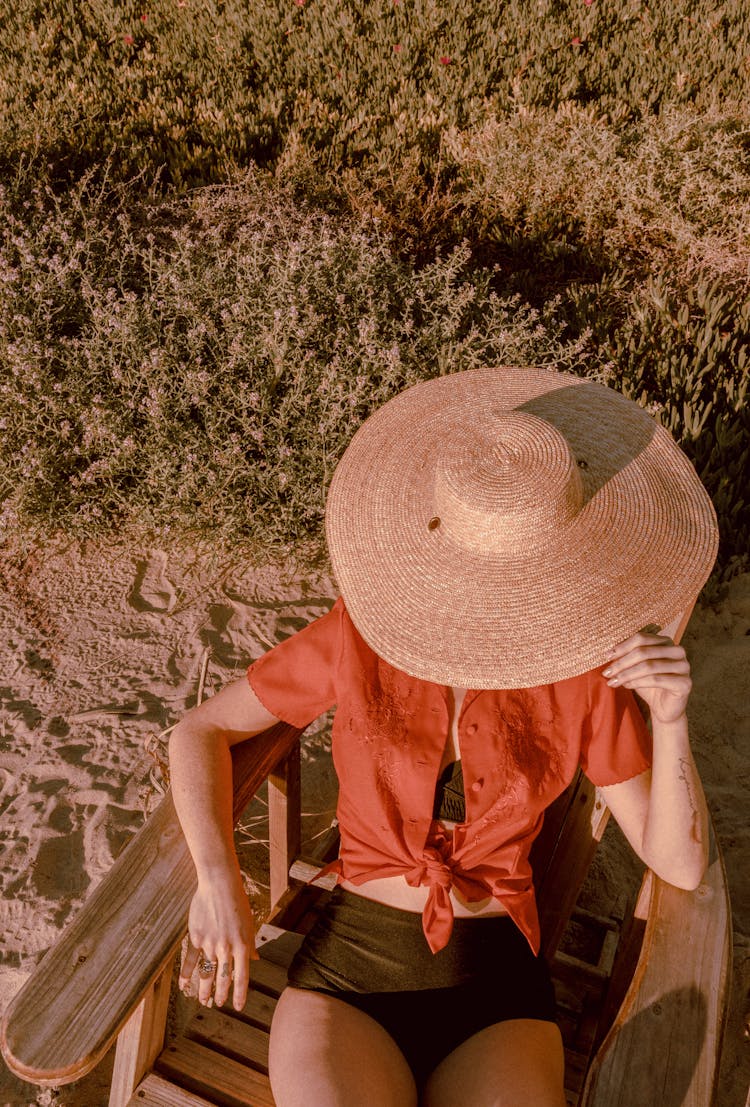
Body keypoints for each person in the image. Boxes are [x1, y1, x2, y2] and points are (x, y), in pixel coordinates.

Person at [169, 366, 718, 1107]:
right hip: (352, 977)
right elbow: (199, 732)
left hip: (495, 993)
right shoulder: (361, 633)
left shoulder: (582, 673)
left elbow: (678, 863)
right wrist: (216, 878)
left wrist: (673, 713)